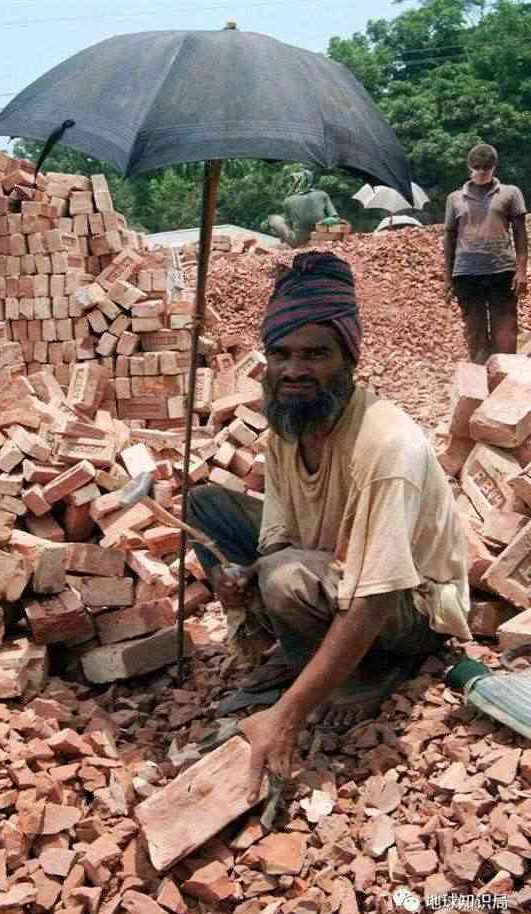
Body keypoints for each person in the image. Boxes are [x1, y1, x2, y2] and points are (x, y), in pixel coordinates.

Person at [188, 251, 471, 795]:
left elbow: (374, 597)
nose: (295, 370)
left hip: (408, 607)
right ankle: (301, 651)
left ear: (349, 359)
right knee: (207, 508)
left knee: (286, 579)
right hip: (332, 568)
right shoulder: (287, 430)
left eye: (316, 354)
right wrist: (241, 579)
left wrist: (286, 718)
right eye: (281, 353)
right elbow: (276, 538)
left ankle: (368, 673)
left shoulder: (387, 445)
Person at [444, 143, 527, 362]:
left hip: (502, 271)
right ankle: (480, 385)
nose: (481, 172)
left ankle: (506, 385)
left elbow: (520, 234)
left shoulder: (510, 193)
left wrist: (521, 271)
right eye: (477, 167)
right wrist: (447, 278)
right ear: (469, 168)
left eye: (486, 168)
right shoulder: (454, 199)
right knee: (475, 332)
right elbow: (449, 239)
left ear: (494, 167)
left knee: (506, 330)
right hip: (466, 274)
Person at [267, 169, 338, 248]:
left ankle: (288, 244)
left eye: (292, 182)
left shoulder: (288, 200)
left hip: (298, 241)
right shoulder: (322, 194)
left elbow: (288, 224)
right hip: (321, 235)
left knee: (273, 218)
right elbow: (335, 217)